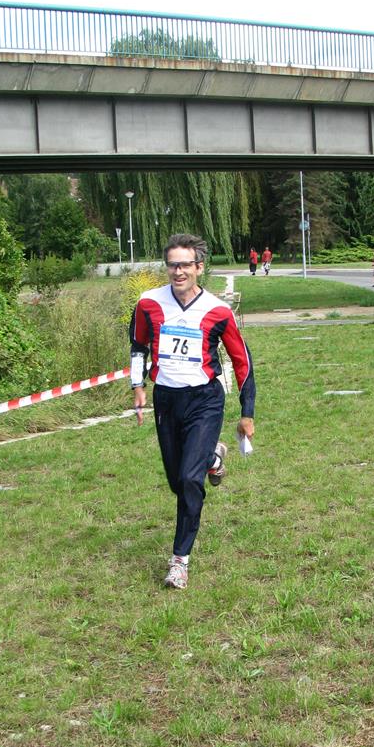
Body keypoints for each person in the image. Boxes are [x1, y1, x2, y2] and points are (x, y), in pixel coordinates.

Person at [130, 233, 256, 589]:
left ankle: (179, 561)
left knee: (189, 480)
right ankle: (213, 458)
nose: (178, 271)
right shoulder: (148, 303)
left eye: (185, 264)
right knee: (176, 481)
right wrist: (138, 386)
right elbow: (138, 345)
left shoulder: (217, 310)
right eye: (172, 264)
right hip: (166, 400)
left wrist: (247, 411)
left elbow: (242, 360)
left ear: (199, 267)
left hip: (205, 399)